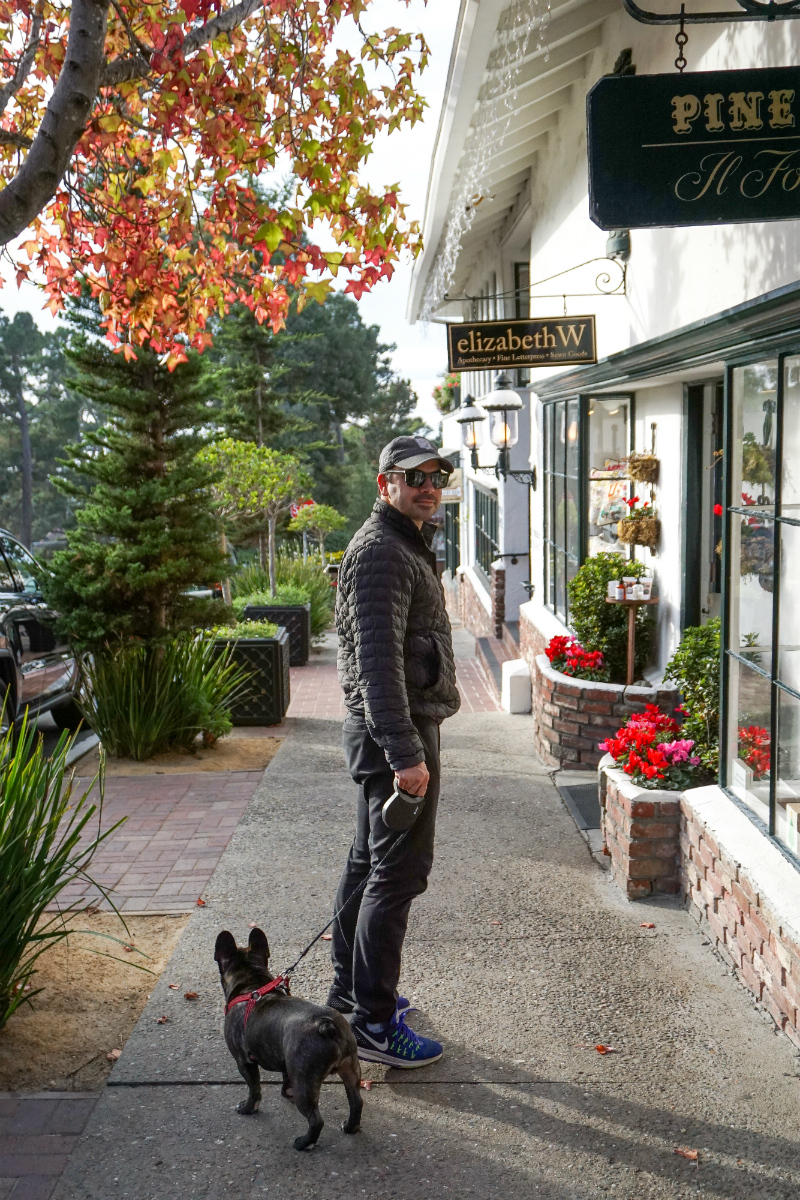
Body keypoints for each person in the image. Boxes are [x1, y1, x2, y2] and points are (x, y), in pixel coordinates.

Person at [327, 435, 461, 1067]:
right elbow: (378, 667)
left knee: (368, 864)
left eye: (437, 477)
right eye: (415, 477)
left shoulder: (402, 542)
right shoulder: (383, 551)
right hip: (394, 731)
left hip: (387, 729)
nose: (428, 487)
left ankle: (351, 996)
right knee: (397, 873)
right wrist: (407, 754)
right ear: (386, 484)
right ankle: (375, 1024)